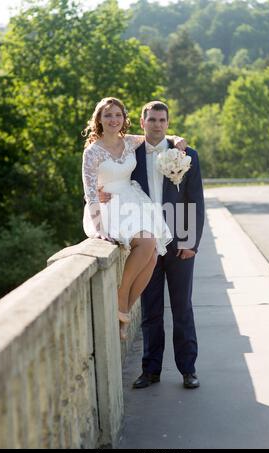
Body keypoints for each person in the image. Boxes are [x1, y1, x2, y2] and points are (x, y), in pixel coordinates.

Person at [101, 100, 204, 388]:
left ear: (168, 123)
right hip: (146, 236)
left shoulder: (185, 154)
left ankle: (188, 370)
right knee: (151, 307)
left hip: (179, 237)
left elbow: (195, 200)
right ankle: (151, 370)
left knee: (182, 306)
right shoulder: (129, 155)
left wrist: (191, 241)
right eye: (152, 119)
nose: (157, 124)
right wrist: (101, 193)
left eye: (162, 120)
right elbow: (109, 174)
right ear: (143, 122)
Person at [81, 97, 186, 340]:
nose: (113, 120)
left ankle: (124, 308)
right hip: (109, 205)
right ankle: (122, 298)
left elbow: (157, 135)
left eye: (118, 115)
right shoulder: (92, 151)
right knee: (148, 243)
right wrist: (98, 228)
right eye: (108, 115)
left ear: (124, 119)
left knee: (150, 257)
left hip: (133, 200)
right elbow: (89, 191)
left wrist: (177, 139)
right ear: (99, 119)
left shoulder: (129, 142)